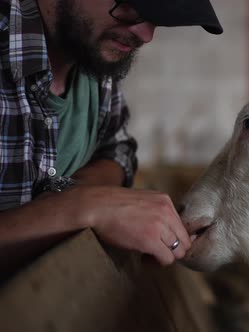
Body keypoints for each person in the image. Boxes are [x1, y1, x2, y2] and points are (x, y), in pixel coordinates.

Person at [0, 0, 223, 274]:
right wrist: (79, 208)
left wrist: (82, 193)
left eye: (157, 19)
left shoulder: (90, 55)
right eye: (132, 6)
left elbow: (117, 149)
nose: (146, 35)